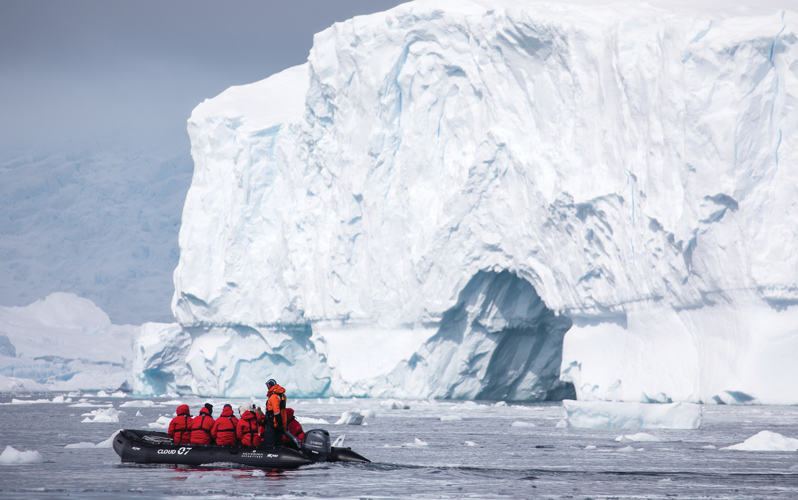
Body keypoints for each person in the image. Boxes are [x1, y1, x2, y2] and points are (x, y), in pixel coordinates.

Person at [264, 379, 287, 447]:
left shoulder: (274, 396)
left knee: (269, 440)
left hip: (274, 423)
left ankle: (270, 453)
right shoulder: (282, 395)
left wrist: (278, 423)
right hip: (279, 423)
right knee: (278, 441)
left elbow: (276, 411)